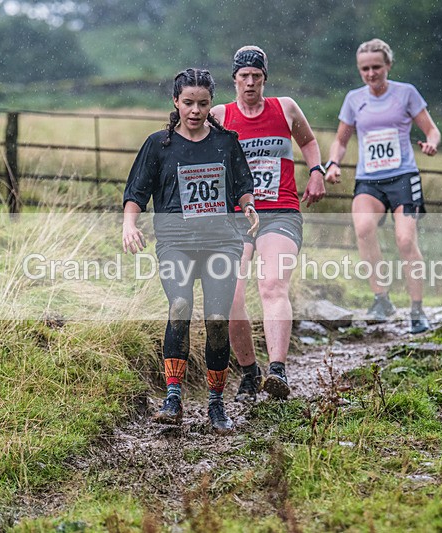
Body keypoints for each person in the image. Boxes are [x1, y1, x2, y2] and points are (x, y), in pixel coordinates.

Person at [122, 68, 259, 435]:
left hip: (221, 243)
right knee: (180, 307)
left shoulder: (226, 142)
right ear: (175, 102)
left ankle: (216, 404)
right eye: (188, 103)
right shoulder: (159, 145)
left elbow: (244, 186)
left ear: (211, 103)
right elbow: (136, 192)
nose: (195, 111)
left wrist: (247, 205)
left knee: (217, 318)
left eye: (202, 103)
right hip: (176, 243)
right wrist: (129, 224)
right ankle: (173, 397)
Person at [210, 45, 326, 402]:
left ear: (264, 79)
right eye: (243, 77)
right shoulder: (219, 115)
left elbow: (307, 141)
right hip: (236, 216)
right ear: (234, 81)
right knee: (232, 295)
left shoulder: (285, 107)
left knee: (273, 285)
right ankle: (249, 372)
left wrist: (317, 171)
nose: (249, 83)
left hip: (280, 211)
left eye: (256, 77)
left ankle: (278, 371)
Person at [324, 38, 441, 334]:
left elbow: (431, 129)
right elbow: (340, 140)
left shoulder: (406, 94)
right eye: (365, 68)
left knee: (405, 240)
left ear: (388, 65)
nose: (371, 73)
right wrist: (334, 163)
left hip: (403, 178)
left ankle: (416, 310)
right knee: (363, 228)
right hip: (370, 180)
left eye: (377, 67)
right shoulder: (354, 99)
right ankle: (381, 299)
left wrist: (431, 144)